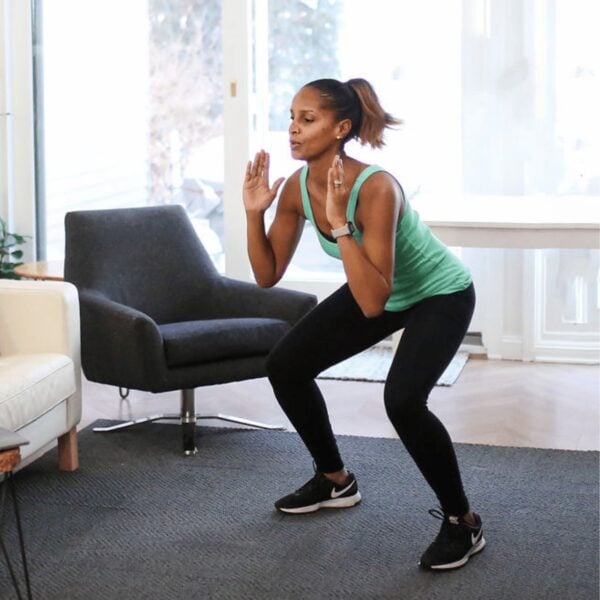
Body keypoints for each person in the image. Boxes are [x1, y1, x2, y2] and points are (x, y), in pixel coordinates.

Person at [242, 77, 485, 571]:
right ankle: (335, 480)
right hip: (378, 288)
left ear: (342, 128)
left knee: (402, 401)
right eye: (291, 117)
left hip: (440, 293)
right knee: (286, 364)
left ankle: (464, 521)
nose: (293, 129)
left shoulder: (376, 187)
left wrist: (339, 224)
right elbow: (267, 275)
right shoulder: (296, 187)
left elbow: (373, 301)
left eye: (307, 120)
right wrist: (252, 215)